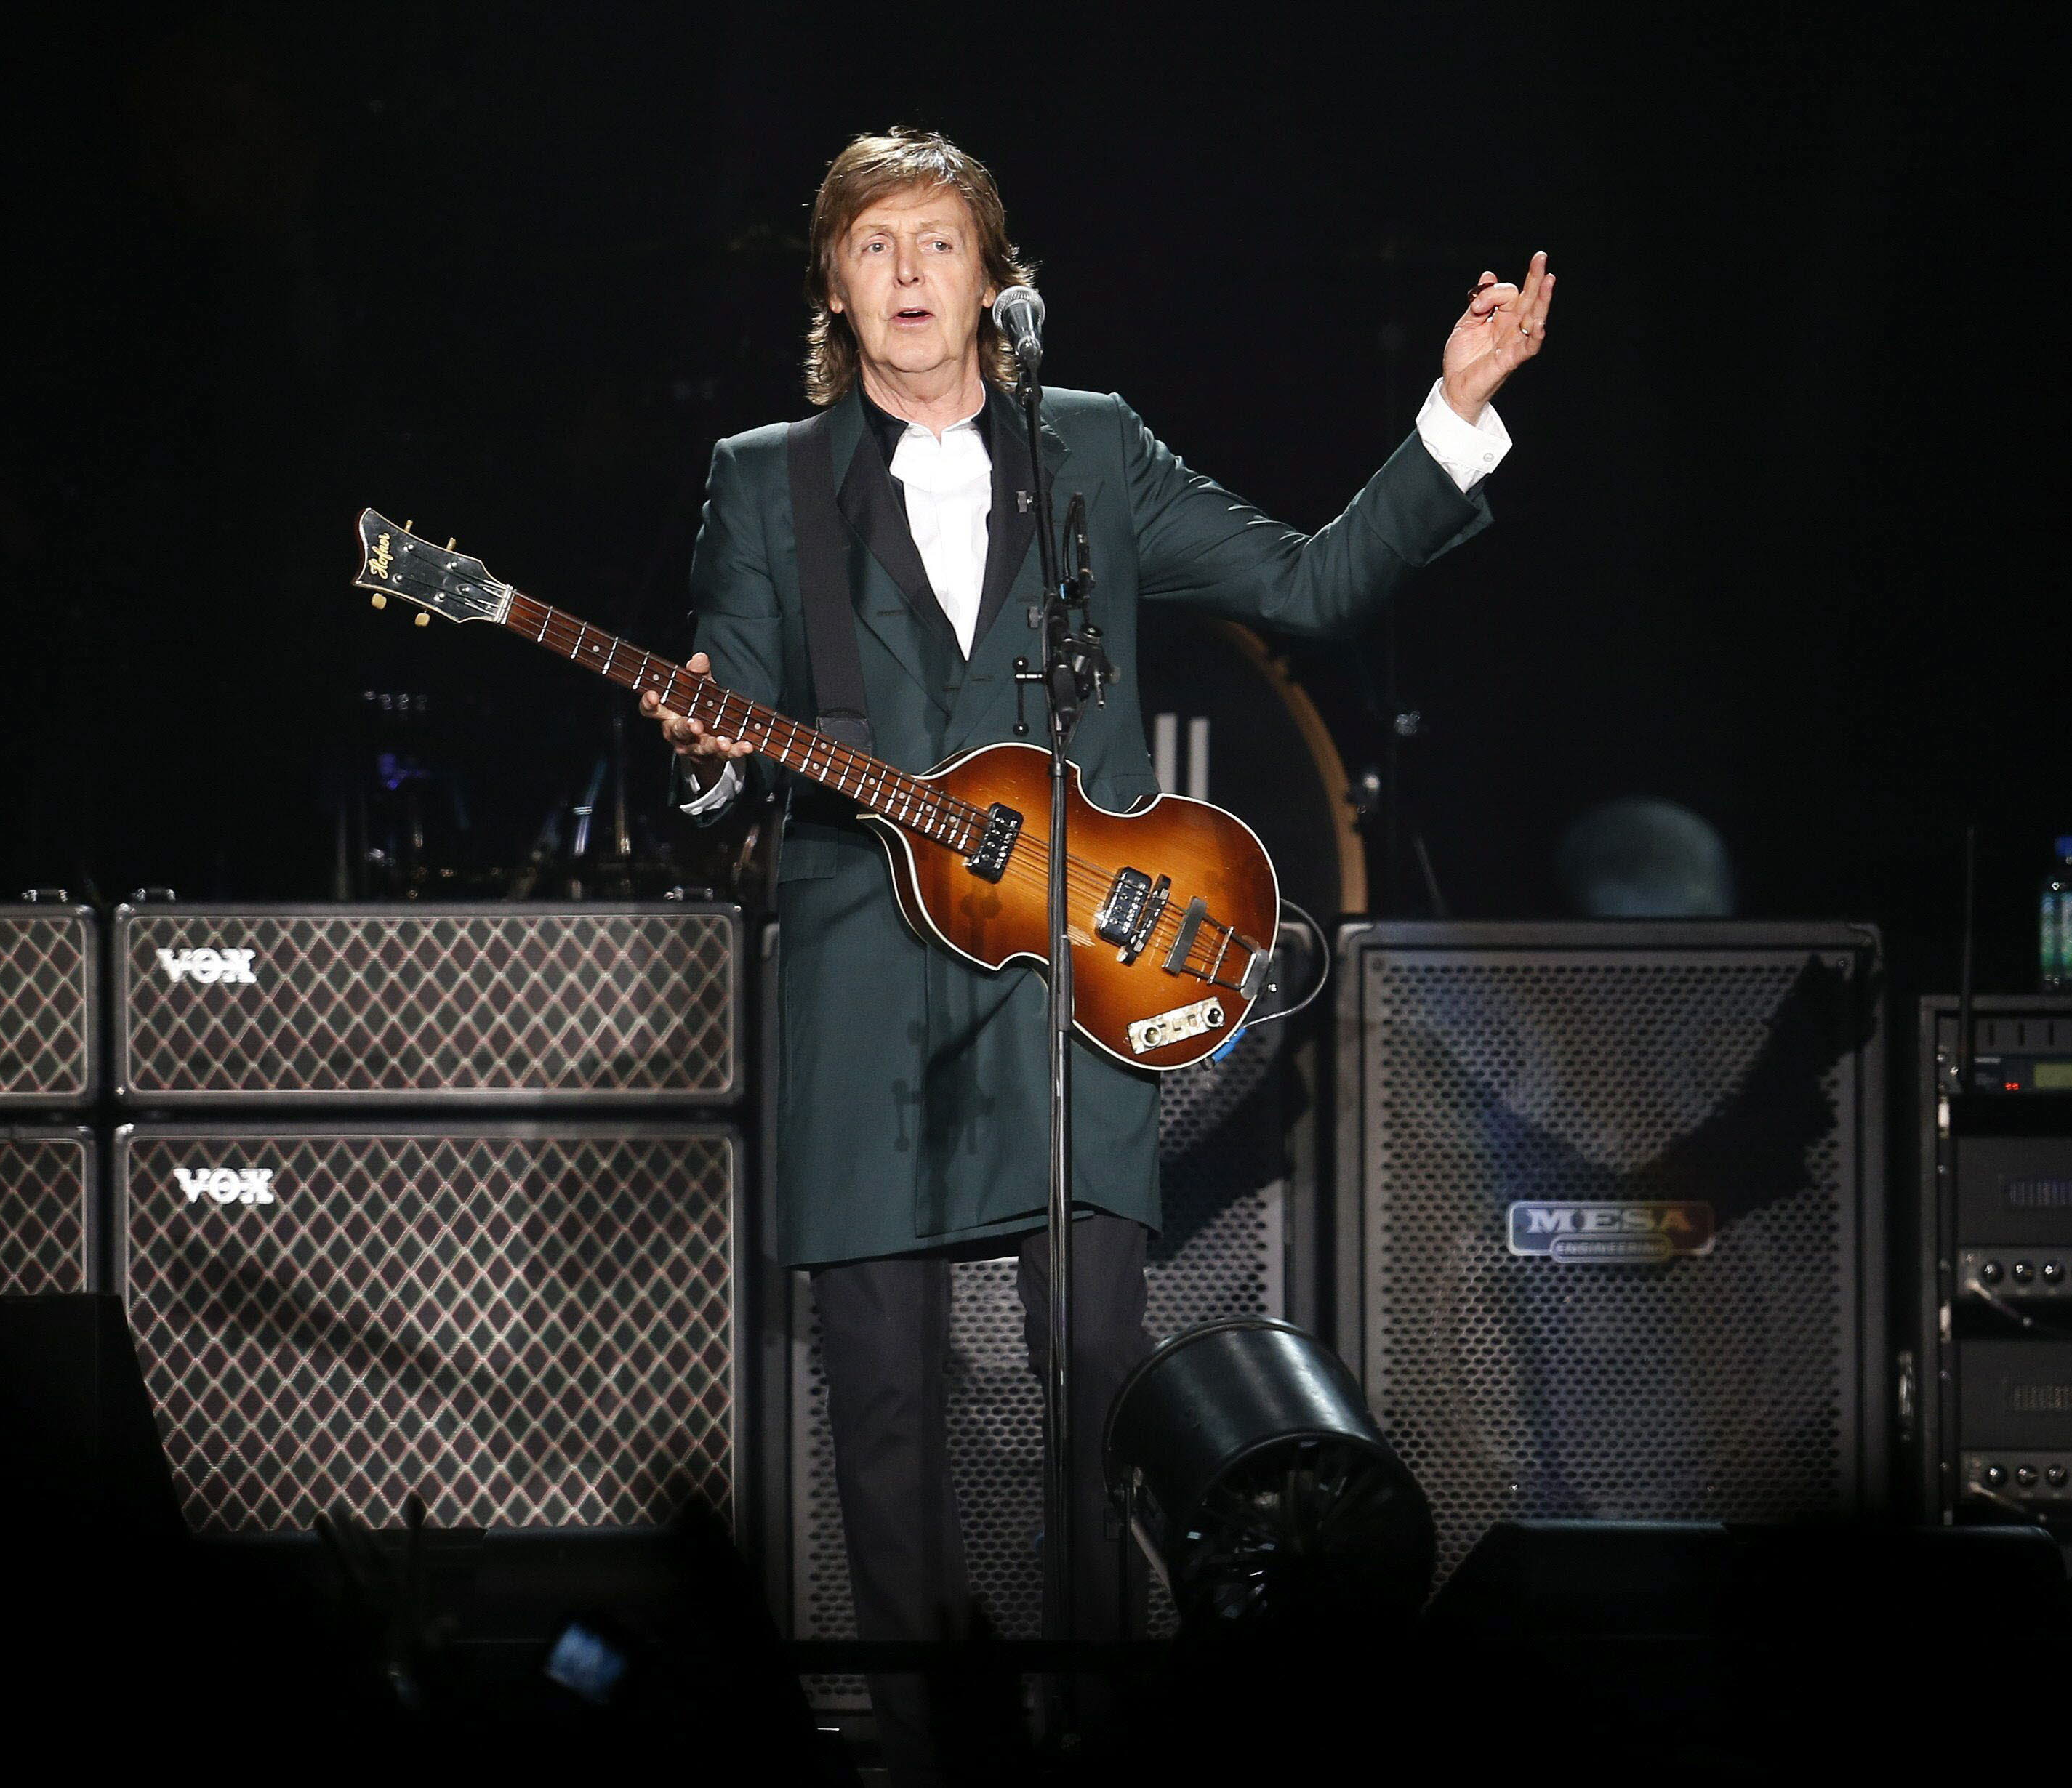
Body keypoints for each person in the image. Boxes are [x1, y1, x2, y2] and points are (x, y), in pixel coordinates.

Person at [641, 127, 1550, 1776]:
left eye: (937, 245)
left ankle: (1096, 1740)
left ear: (995, 278)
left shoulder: (1093, 451)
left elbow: (1307, 581)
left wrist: (1455, 412)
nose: (910, 277)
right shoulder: (763, 474)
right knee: (891, 1400)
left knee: (1095, 1374)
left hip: (1074, 971)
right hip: (863, 982)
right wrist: (706, 743)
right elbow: (729, 711)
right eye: (874, 250)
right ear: (834, 291)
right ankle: (927, 1758)